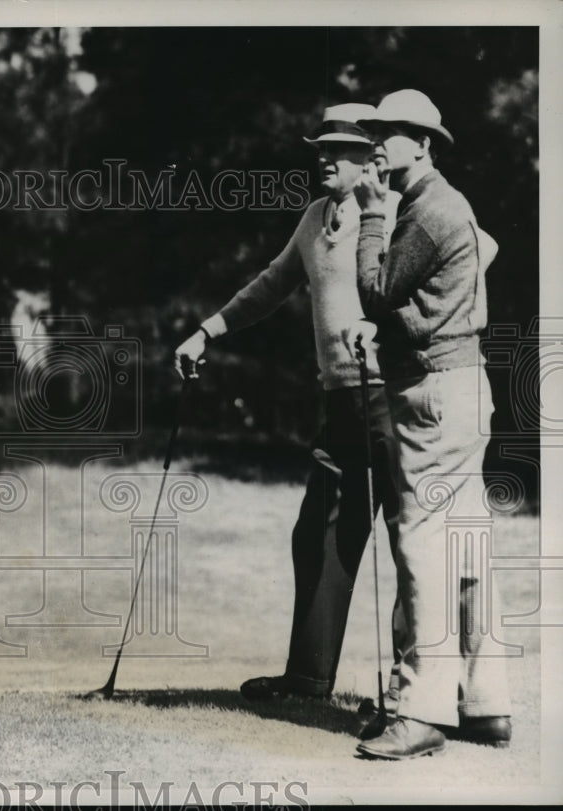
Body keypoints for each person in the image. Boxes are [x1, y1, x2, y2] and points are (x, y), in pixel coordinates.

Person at [176, 104, 400, 702]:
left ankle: (422, 693)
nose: (324, 158)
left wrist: (411, 328)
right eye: (320, 149)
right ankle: (307, 680)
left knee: (412, 538)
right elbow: (271, 284)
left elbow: (478, 249)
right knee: (318, 533)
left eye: (339, 150)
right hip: (339, 398)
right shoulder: (314, 217)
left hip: (393, 397)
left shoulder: (399, 211)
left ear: (371, 156)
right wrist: (207, 331)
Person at [344, 90, 511, 759]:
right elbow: (422, 295)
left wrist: (371, 216)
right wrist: (402, 325)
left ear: (425, 144)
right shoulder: (444, 204)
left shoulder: (424, 206)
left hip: (435, 396)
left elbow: (375, 288)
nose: (379, 141)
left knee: (421, 543)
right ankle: (484, 699)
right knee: (465, 545)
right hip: (460, 387)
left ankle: (422, 709)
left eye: (394, 133)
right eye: (378, 131)